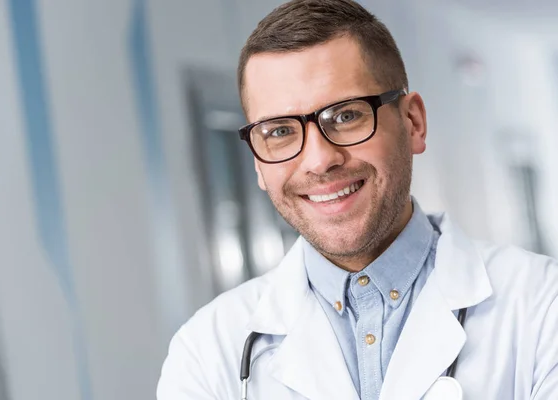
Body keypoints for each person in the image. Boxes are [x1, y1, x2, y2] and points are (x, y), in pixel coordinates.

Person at [156, 0, 558, 399]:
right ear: (258, 164)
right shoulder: (206, 352)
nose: (318, 160)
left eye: (346, 116)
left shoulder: (541, 306)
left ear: (413, 123)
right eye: (279, 131)